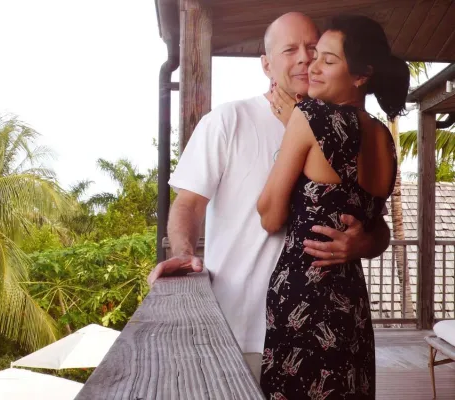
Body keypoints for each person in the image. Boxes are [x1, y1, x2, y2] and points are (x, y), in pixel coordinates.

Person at [147, 12, 391, 382]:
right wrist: (183, 253)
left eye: (314, 49)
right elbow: (188, 204)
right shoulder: (229, 120)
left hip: (313, 327)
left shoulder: (346, 127)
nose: (305, 59)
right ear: (266, 65)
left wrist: (363, 243)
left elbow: (378, 227)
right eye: (290, 50)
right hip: (238, 326)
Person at [257, 15, 408, 399]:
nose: (313, 67)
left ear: (360, 75)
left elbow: (270, 215)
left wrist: (294, 127)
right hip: (350, 302)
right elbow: (377, 227)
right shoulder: (383, 137)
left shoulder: (309, 116)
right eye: (316, 57)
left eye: (328, 60)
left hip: (305, 301)